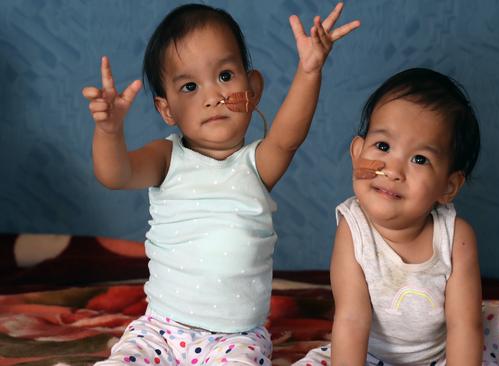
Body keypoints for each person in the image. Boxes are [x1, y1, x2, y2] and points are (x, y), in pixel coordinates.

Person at [82, 3, 359, 365]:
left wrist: (309, 70)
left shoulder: (257, 166)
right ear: (167, 110)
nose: (212, 96)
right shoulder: (166, 159)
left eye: (225, 75)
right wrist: (109, 131)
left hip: (237, 338)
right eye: (190, 86)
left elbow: (288, 138)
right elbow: (114, 174)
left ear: (254, 88)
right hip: (160, 330)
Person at [294, 68, 499, 366]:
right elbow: (351, 319)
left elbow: (464, 326)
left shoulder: (456, 237)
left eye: (419, 159)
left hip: (444, 353)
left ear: (448, 187)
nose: (393, 170)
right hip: (370, 355)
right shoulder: (353, 228)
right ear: (358, 153)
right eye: (383, 146)